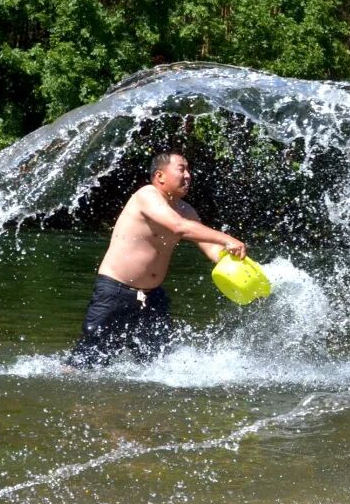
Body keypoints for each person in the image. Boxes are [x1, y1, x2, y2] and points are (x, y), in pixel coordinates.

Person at [63, 152, 247, 368]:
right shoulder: (146, 195)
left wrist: (242, 266)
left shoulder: (186, 210)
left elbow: (211, 249)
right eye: (181, 169)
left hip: (152, 297)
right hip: (115, 292)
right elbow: (178, 227)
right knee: (84, 365)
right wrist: (227, 238)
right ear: (160, 176)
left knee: (159, 366)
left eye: (189, 170)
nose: (188, 175)